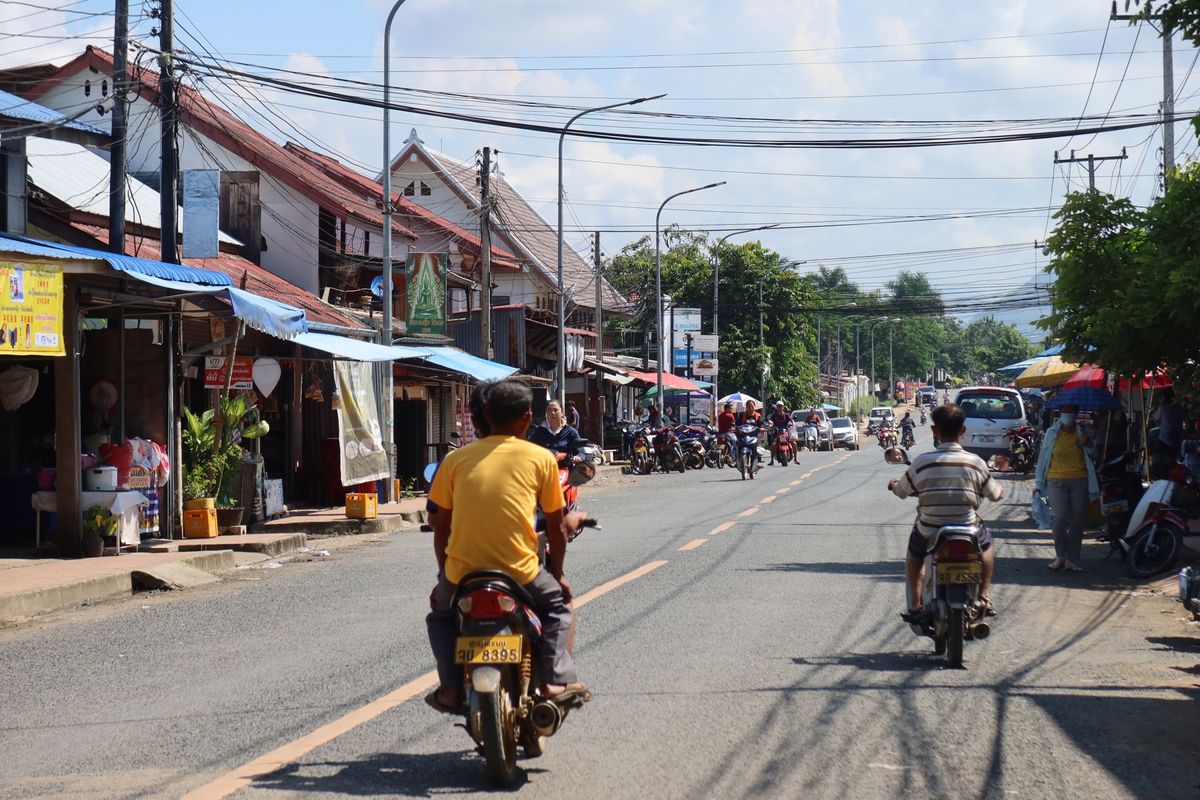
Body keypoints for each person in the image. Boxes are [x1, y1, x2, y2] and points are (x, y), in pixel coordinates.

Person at [425, 379, 589, 714]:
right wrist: (556, 574)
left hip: (463, 573)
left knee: (441, 616)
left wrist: (446, 573)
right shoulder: (540, 459)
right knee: (560, 606)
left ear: (481, 415)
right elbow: (556, 528)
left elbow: (438, 527)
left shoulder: (454, 461)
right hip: (520, 570)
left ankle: (452, 688)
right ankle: (555, 680)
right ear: (529, 418)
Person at [889, 403, 1003, 619]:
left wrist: (895, 486)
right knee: (986, 548)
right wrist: (1000, 491)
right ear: (962, 431)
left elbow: (903, 492)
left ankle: (914, 605)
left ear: (935, 431)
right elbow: (995, 494)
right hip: (967, 526)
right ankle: (984, 597)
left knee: (915, 554)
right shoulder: (976, 463)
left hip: (929, 528)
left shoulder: (922, 463)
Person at [1034, 403, 1098, 572]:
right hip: (1055, 480)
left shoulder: (1082, 433)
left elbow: (1094, 455)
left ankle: (1073, 559)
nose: (1067, 413)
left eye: (1071, 410)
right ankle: (1060, 556)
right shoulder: (1051, 433)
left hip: (1080, 480)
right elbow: (1043, 458)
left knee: (1077, 521)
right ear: (1059, 412)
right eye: (1064, 410)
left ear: (1076, 413)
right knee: (1059, 518)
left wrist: (1089, 444)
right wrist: (1038, 483)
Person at [1152, 388, 1185, 477]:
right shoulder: (1180, 408)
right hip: (1177, 440)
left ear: (1164, 397)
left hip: (1165, 440)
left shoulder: (1163, 408)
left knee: (1163, 462)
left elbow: (1155, 418)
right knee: (1173, 461)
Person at [768, 400, 792, 464]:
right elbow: (771, 422)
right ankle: (772, 460)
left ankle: (795, 458)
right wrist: (770, 425)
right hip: (777, 433)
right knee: (773, 445)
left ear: (783, 407)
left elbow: (792, 420)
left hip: (785, 432)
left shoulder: (786, 415)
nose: (780, 408)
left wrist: (794, 424)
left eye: (781, 406)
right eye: (778, 406)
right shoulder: (774, 416)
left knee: (793, 443)